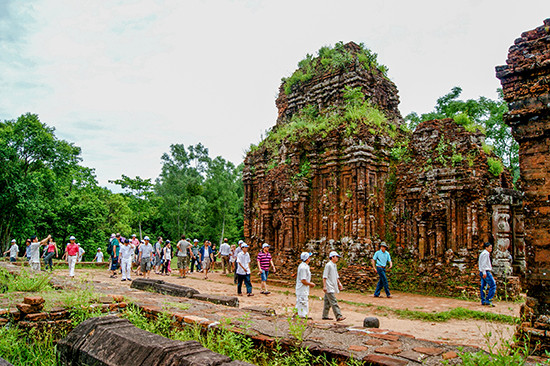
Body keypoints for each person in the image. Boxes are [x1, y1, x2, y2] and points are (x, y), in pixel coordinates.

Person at [322, 251, 345, 321]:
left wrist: (339, 283)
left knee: (327, 301)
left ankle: (325, 315)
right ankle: (338, 316)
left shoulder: (334, 265)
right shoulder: (328, 265)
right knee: (333, 301)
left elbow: (336, 276)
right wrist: (324, 286)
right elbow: (324, 276)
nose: (337, 258)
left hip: (332, 285)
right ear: (332, 257)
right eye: (336, 257)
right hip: (329, 286)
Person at [296, 252, 315, 318]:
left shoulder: (304, 266)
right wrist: (310, 284)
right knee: (303, 302)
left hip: (303, 288)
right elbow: (303, 280)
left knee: (300, 301)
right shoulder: (303, 267)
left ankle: (297, 313)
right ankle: (302, 315)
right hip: (302, 288)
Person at [479, 242, 496, 307]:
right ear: (486, 248)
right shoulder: (486, 253)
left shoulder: (482, 253)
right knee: (493, 285)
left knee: (483, 286)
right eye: (490, 247)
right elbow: (483, 264)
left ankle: (483, 300)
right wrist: (484, 272)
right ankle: (488, 300)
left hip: (482, 271)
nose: (491, 249)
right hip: (485, 271)